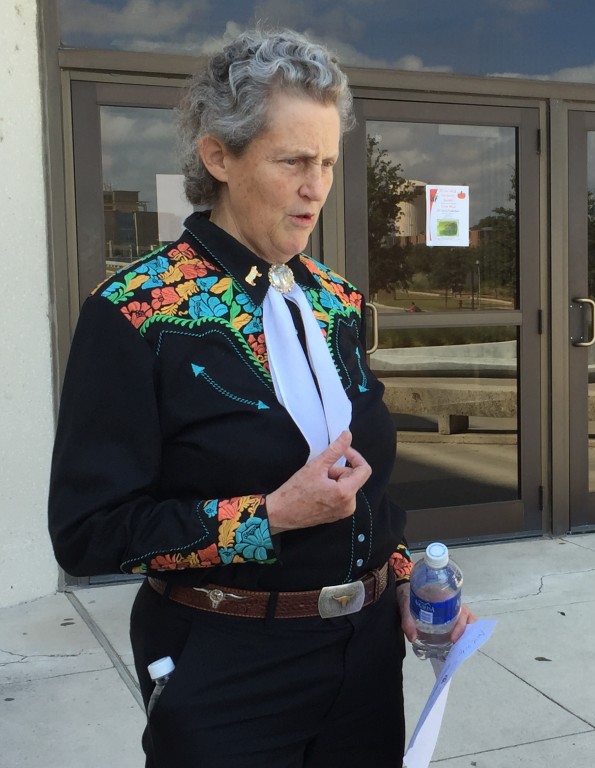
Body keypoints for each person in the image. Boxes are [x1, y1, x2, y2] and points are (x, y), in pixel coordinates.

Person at [48, 27, 473, 767]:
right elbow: (89, 530)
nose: (318, 187)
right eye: (294, 162)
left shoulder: (336, 300)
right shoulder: (136, 311)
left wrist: (407, 578)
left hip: (365, 656)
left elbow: (367, 487)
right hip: (227, 664)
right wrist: (272, 516)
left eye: (331, 162)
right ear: (219, 155)